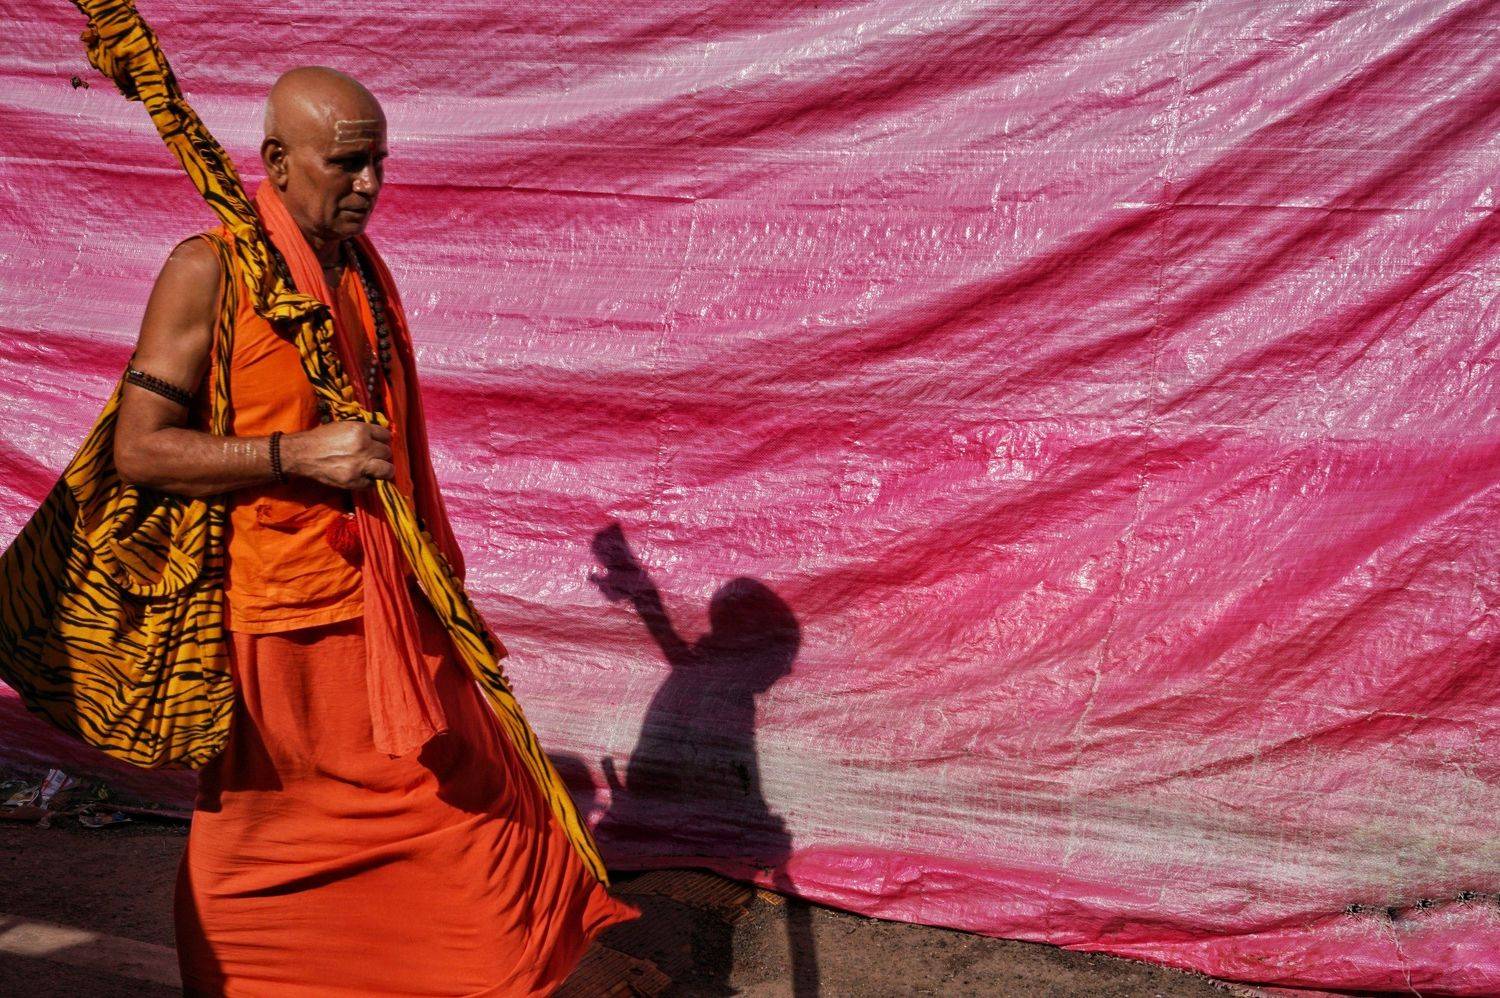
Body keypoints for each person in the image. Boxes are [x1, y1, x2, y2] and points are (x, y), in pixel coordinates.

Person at [114, 65, 638, 996]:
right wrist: (295, 455)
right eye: (346, 164)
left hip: (389, 605)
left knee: (474, 812)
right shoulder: (208, 272)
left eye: (380, 164)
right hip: (277, 631)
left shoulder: (359, 268)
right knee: (262, 851)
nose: (369, 186)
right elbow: (140, 450)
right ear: (276, 161)